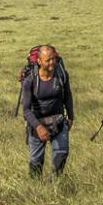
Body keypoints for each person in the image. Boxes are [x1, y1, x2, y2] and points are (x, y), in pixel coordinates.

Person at [18, 43, 72, 178]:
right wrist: (38, 127)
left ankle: (54, 183)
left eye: (53, 58)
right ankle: (36, 189)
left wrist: (70, 116)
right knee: (36, 161)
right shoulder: (30, 80)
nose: (51, 63)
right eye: (47, 60)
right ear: (39, 61)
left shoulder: (61, 75)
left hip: (58, 121)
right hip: (36, 123)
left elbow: (68, 96)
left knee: (61, 154)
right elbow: (25, 109)